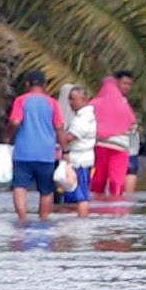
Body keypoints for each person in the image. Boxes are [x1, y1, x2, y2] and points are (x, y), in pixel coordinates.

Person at [4, 70, 66, 221]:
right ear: (44, 85)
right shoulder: (52, 103)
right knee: (46, 190)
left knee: (20, 187)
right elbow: (59, 127)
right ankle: (44, 220)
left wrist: (7, 137)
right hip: (46, 154)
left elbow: (15, 122)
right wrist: (65, 150)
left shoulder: (21, 100)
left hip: (23, 153)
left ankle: (22, 220)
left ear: (27, 84)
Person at [89, 70, 138, 198]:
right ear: (117, 83)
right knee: (112, 182)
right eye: (124, 83)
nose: (126, 87)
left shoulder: (95, 104)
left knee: (100, 182)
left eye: (129, 84)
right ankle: (117, 205)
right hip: (113, 148)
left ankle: (101, 205)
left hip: (106, 147)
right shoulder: (124, 106)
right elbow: (132, 125)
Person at [59, 83, 96, 218]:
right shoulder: (84, 116)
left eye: (73, 99)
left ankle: (82, 220)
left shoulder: (83, 118)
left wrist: (58, 133)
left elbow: (70, 137)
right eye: (69, 99)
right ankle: (78, 219)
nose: (70, 102)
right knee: (76, 192)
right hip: (82, 159)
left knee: (80, 194)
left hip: (80, 160)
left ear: (83, 99)